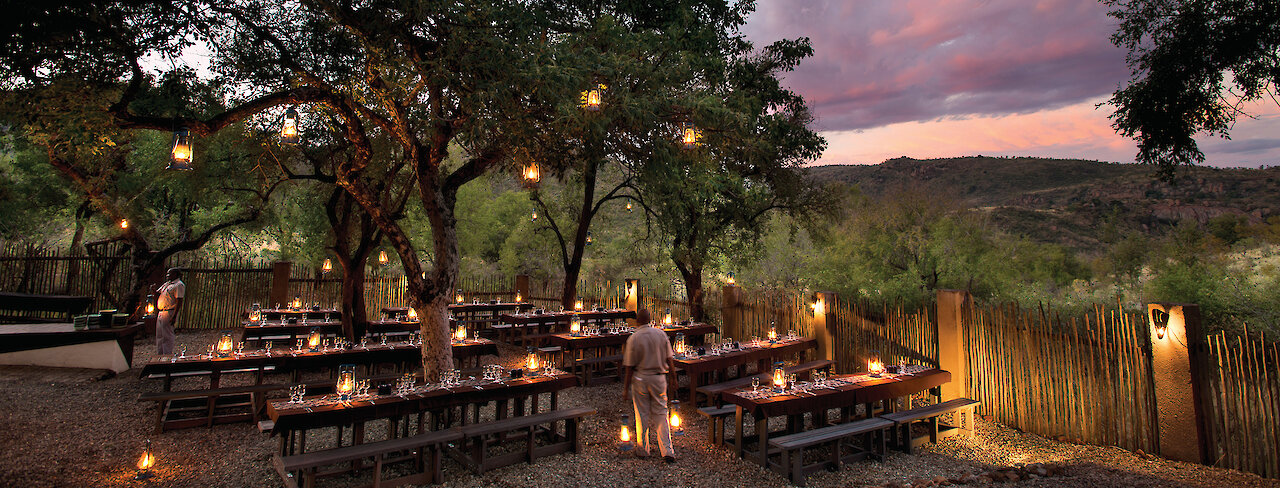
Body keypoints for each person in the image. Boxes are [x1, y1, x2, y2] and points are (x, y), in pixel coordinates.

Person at [621, 308, 676, 463]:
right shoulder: (661, 334)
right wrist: (673, 377)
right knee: (661, 413)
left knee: (642, 414)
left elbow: (629, 366)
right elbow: (669, 359)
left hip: (641, 378)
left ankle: (643, 449)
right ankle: (667, 450)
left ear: (637, 321)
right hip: (659, 377)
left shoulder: (634, 338)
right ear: (650, 319)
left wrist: (626, 388)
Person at [154, 268, 186, 355]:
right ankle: (160, 354)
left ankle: (167, 355)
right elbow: (157, 292)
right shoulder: (167, 284)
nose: (168, 276)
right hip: (161, 312)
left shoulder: (179, 285)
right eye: (167, 274)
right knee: (160, 335)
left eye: (170, 274)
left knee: (167, 335)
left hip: (169, 312)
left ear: (176, 274)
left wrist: (174, 316)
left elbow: (179, 301)